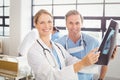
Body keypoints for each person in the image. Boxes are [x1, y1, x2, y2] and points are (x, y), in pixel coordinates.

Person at [27, 9, 100, 80]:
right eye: (42, 22)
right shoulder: (33, 52)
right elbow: (51, 76)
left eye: (49, 22)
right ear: (36, 24)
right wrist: (82, 63)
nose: (46, 25)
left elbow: (71, 61)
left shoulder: (58, 47)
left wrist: (89, 61)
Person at [55, 10, 118, 80]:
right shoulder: (58, 44)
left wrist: (101, 78)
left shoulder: (93, 42)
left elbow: (104, 62)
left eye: (77, 23)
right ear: (66, 24)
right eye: (70, 23)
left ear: (82, 24)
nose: (74, 27)